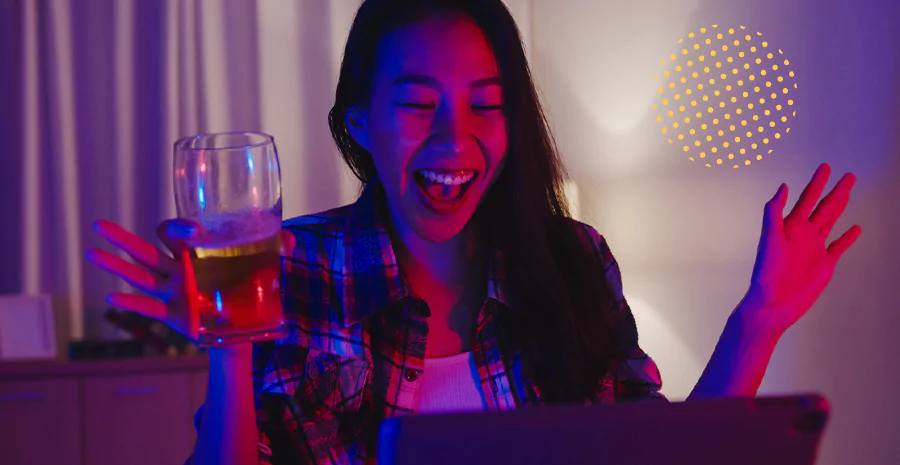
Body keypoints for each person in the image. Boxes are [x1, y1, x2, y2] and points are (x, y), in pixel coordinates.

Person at [86, 0, 862, 464]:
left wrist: (758, 318)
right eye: (419, 104)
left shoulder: (574, 260)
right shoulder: (292, 269)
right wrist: (232, 343)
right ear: (361, 121)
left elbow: (664, 455)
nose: (456, 143)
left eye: (486, 104)